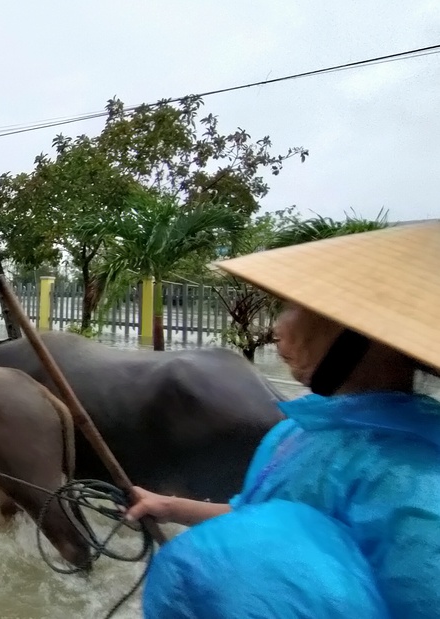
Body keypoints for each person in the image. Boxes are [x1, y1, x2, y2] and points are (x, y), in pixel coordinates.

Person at [128, 221, 440, 618]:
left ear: (356, 332)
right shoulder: (298, 430)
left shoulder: (415, 482)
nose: (278, 328)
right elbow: (254, 513)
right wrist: (169, 506)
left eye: (296, 308)